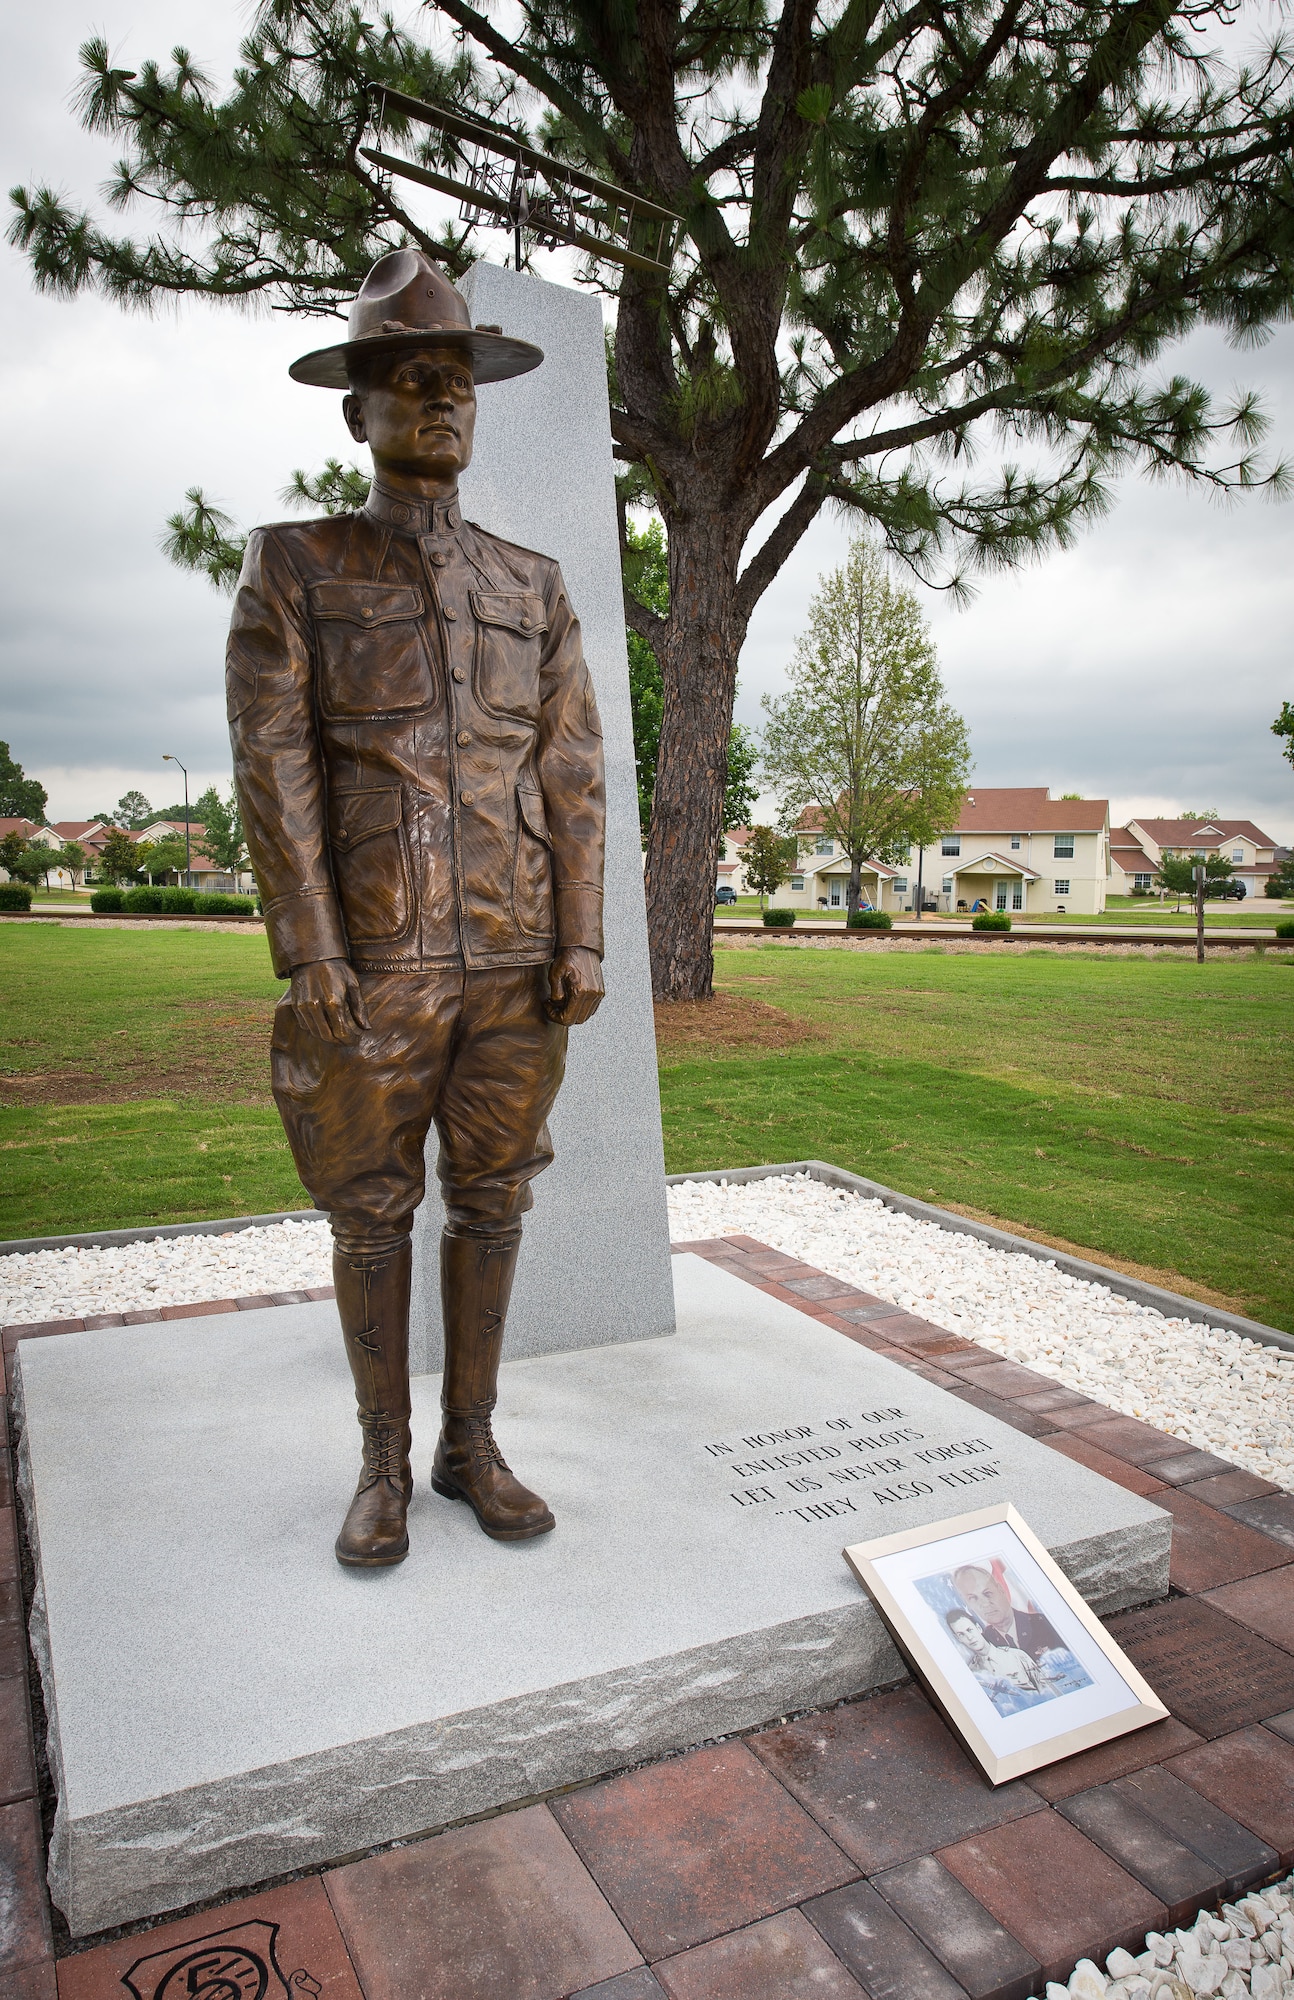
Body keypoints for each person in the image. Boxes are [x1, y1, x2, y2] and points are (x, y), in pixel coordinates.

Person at [226, 248, 606, 1569]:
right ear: (360, 412)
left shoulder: (532, 584)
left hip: (514, 965)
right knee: (370, 1210)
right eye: (408, 381)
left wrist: (582, 932)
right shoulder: (295, 566)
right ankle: (381, 1458)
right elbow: (273, 768)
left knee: (494, 1199)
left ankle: (472, 1442)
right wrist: (310, 944)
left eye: (455, 383)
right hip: (374, 964)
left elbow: (570, 768)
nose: (437, 401)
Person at [951, 1563, 1062, 1661]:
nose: (984, 1603)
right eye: (973, 1598)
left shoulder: (1043, 1624)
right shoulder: (984, 1642)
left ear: (1000, 1590)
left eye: (987, 1593)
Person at [943, 1609, 1052, 1695]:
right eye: (961, 1634)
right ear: (958, 1639)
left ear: (978, 1628)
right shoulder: (972, 1674)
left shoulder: (1017, 1656)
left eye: (969, 1630)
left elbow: (1048, 1690)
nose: (969, 1637)